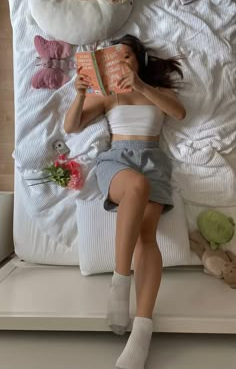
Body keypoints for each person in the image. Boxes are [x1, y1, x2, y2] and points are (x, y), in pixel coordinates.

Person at [64, 35, 186, 369]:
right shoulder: (107, 95)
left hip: (152, 161)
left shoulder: (158, 92)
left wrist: (142, 86)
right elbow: (70, 126)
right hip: (117, 161)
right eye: (115, 58)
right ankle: (120, 282)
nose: (122, 62)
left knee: (147, 238)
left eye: (127, 56)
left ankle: (142, 331)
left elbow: (179, 113)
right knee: (135, 186)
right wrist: (79, 95)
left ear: (138, 60)